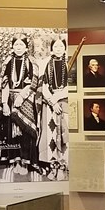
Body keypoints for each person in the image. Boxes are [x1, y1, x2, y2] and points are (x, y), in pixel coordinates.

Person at [0, 34, 37, 179]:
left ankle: (25, 162)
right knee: (11, 132)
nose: (18, 47)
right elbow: (4, 84)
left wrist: (21, 97)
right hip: (10, 98)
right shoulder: (8, 62)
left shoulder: (31, 62)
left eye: (21, 45)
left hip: (26, 99)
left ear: (26, 47)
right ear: (12, 47)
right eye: (16, 45)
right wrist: (4, 103)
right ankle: (16, 161)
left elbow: (33, 83)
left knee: (25, 133)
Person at [36, 37, 69, 177]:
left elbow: (71, 85)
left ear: (65, 48)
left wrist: (58, 97)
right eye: (55, 46)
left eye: (61, 46)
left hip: (65, 102)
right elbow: (42, 85)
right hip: (49, 105)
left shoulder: (69, 63)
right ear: (51, 48)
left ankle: (63, 164)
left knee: (64, 133)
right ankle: (52, 164)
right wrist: (52, 101)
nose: (58, 49)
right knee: (50, 134)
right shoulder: (45, 63)